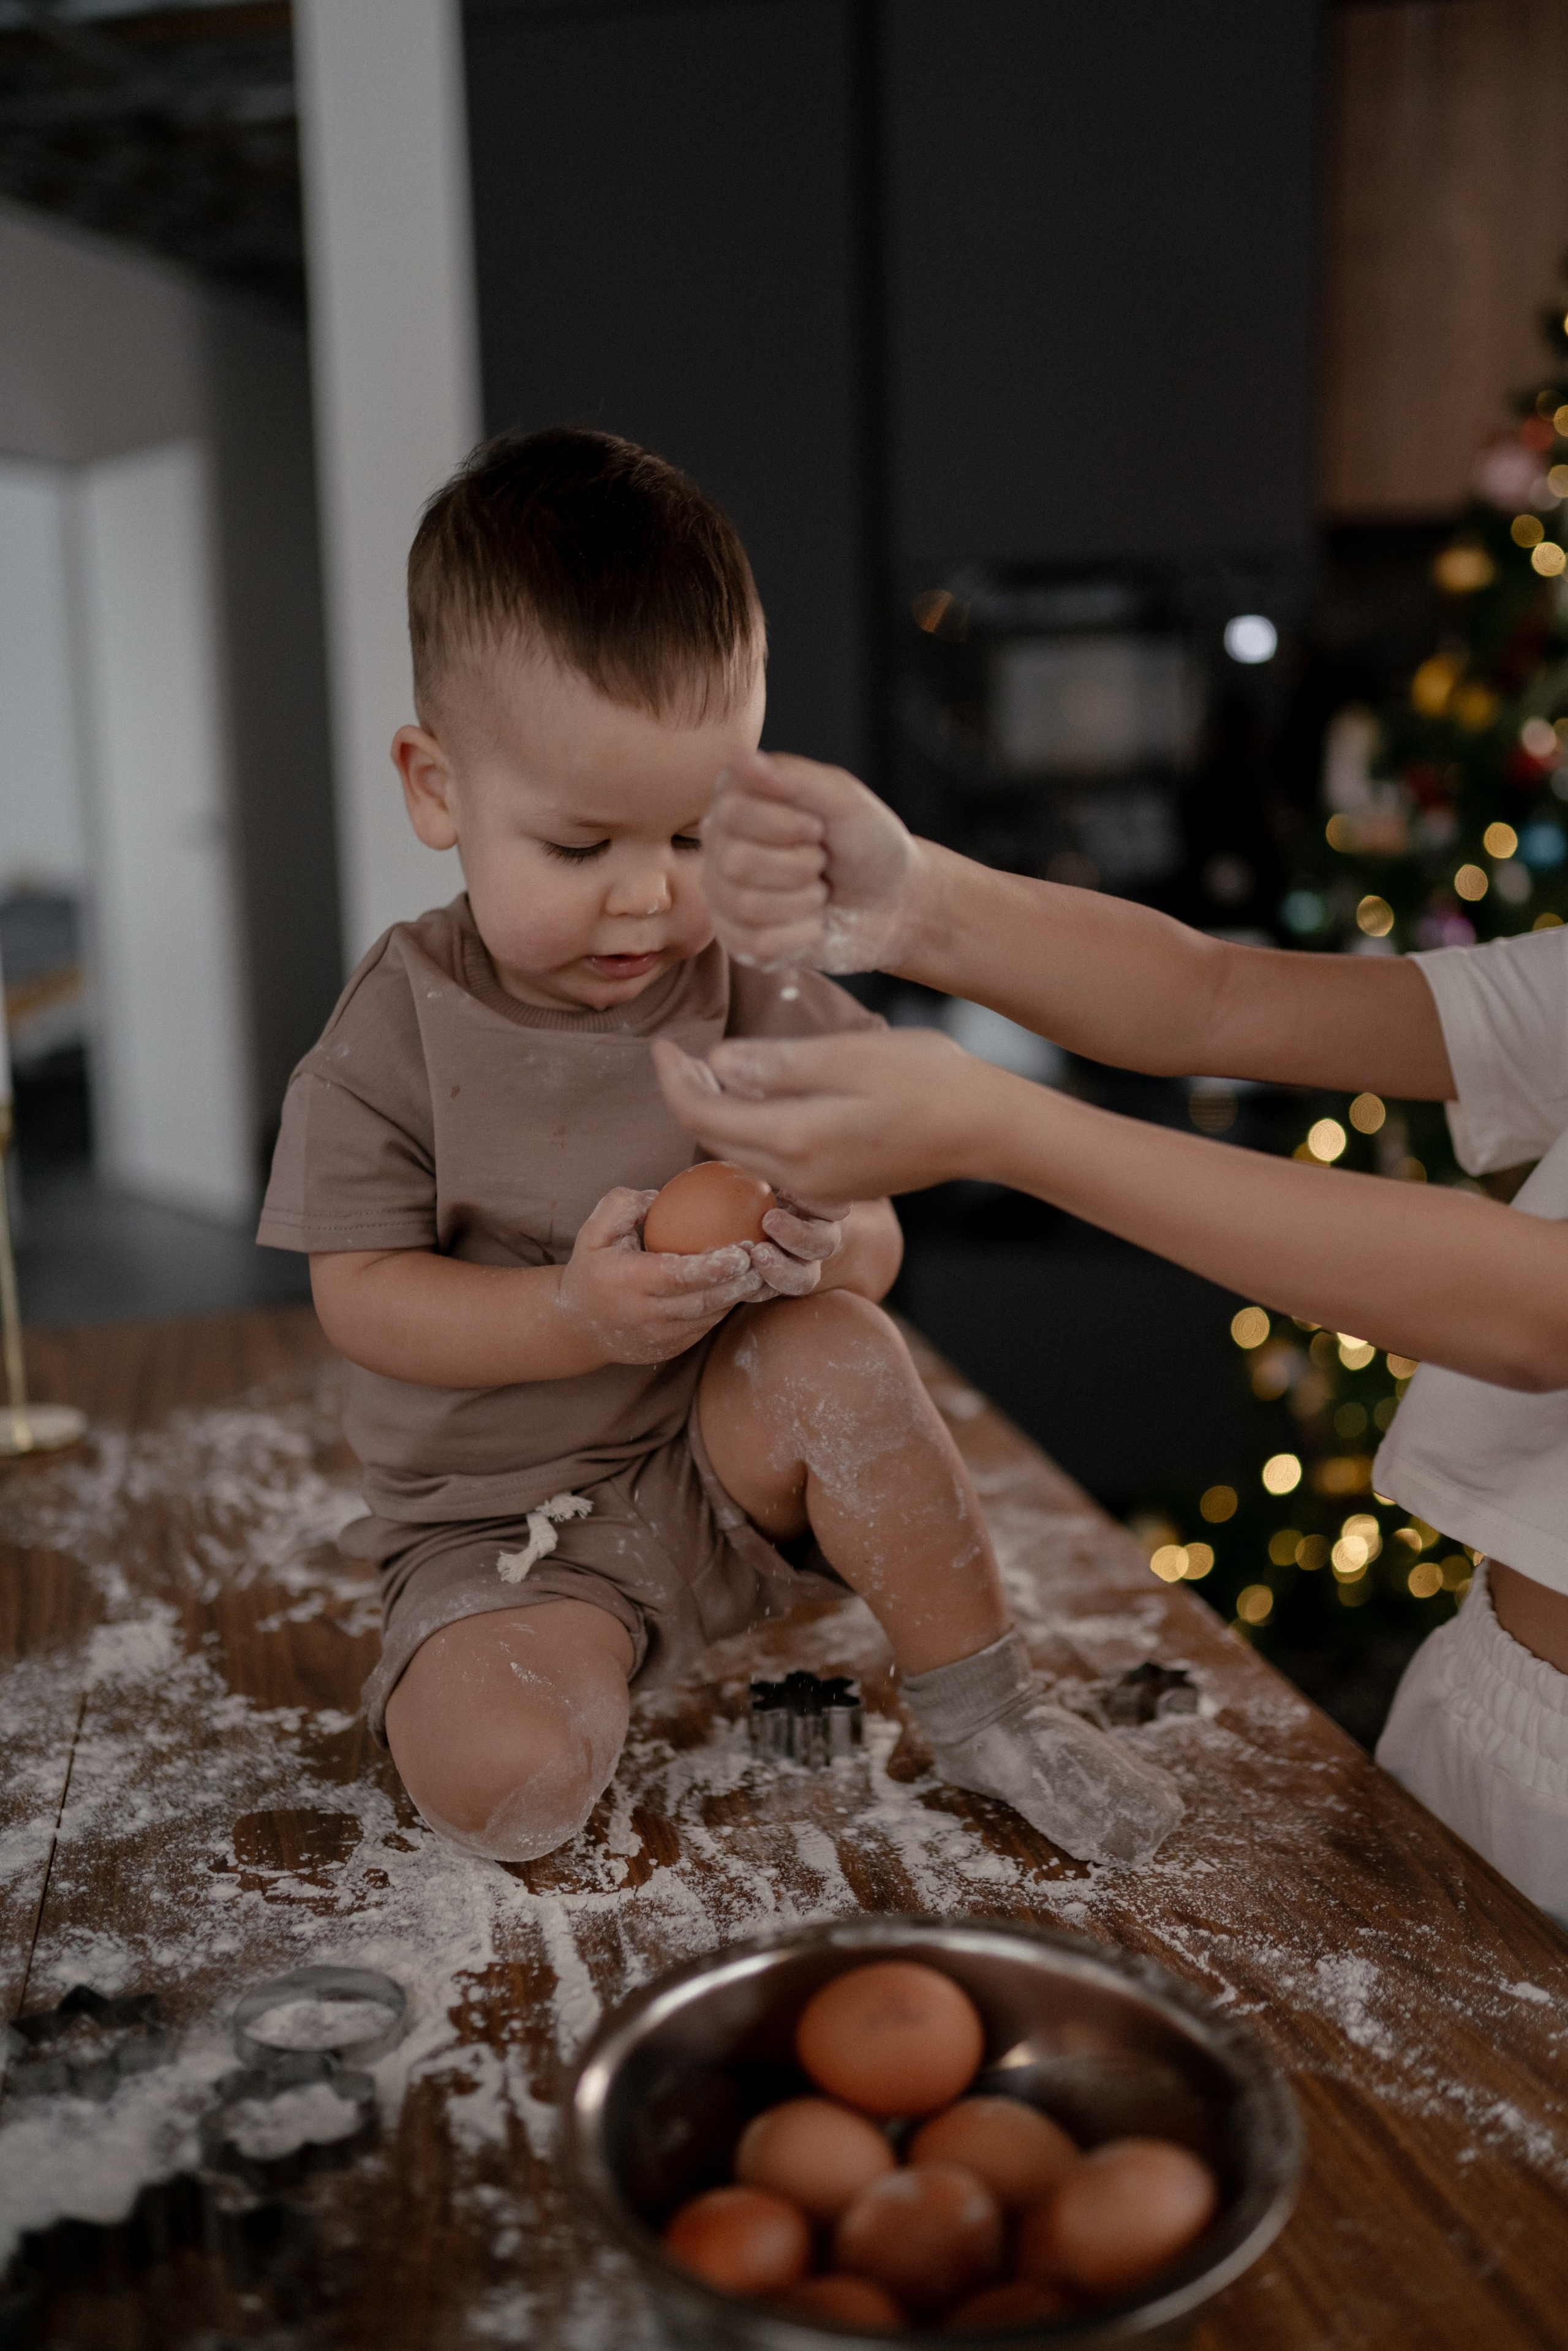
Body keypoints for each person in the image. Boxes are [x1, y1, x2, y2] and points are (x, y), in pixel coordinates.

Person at [257, 431, 1181, 1870]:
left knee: (840, 1347)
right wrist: (567, 1312)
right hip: (506, 1534)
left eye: (693, 833)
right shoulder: (399, 1025)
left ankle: (985, 1709)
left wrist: (830, 1236)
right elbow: (361, 1293)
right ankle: (570, 1665)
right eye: (578, 848)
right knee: (508, 1786)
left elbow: (872, 1239)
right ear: (437, 788)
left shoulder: (757, 990)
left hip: (721, 1468)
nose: (645, 897)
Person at [653, 749, 1568, 1925]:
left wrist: (1001, 1125)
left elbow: (1541, 1314)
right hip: (1489, 1699)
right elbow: (1220, 998)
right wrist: (919, 899)